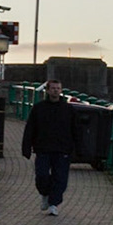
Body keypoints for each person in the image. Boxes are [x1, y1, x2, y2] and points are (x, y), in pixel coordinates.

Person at [22, 78, 75, 216]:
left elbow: (75, 130)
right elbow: (30, 128)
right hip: (43, 148)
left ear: (61, 90)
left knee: (60, 178)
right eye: (53, 88)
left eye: (58, 88)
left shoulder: (68, 109)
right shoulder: (39, 108)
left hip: (62, 149)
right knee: (42, 175)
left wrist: (76, 149)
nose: (55, 90)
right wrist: (26, 147)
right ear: (47, 90)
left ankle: (54, 203)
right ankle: (45, 193)